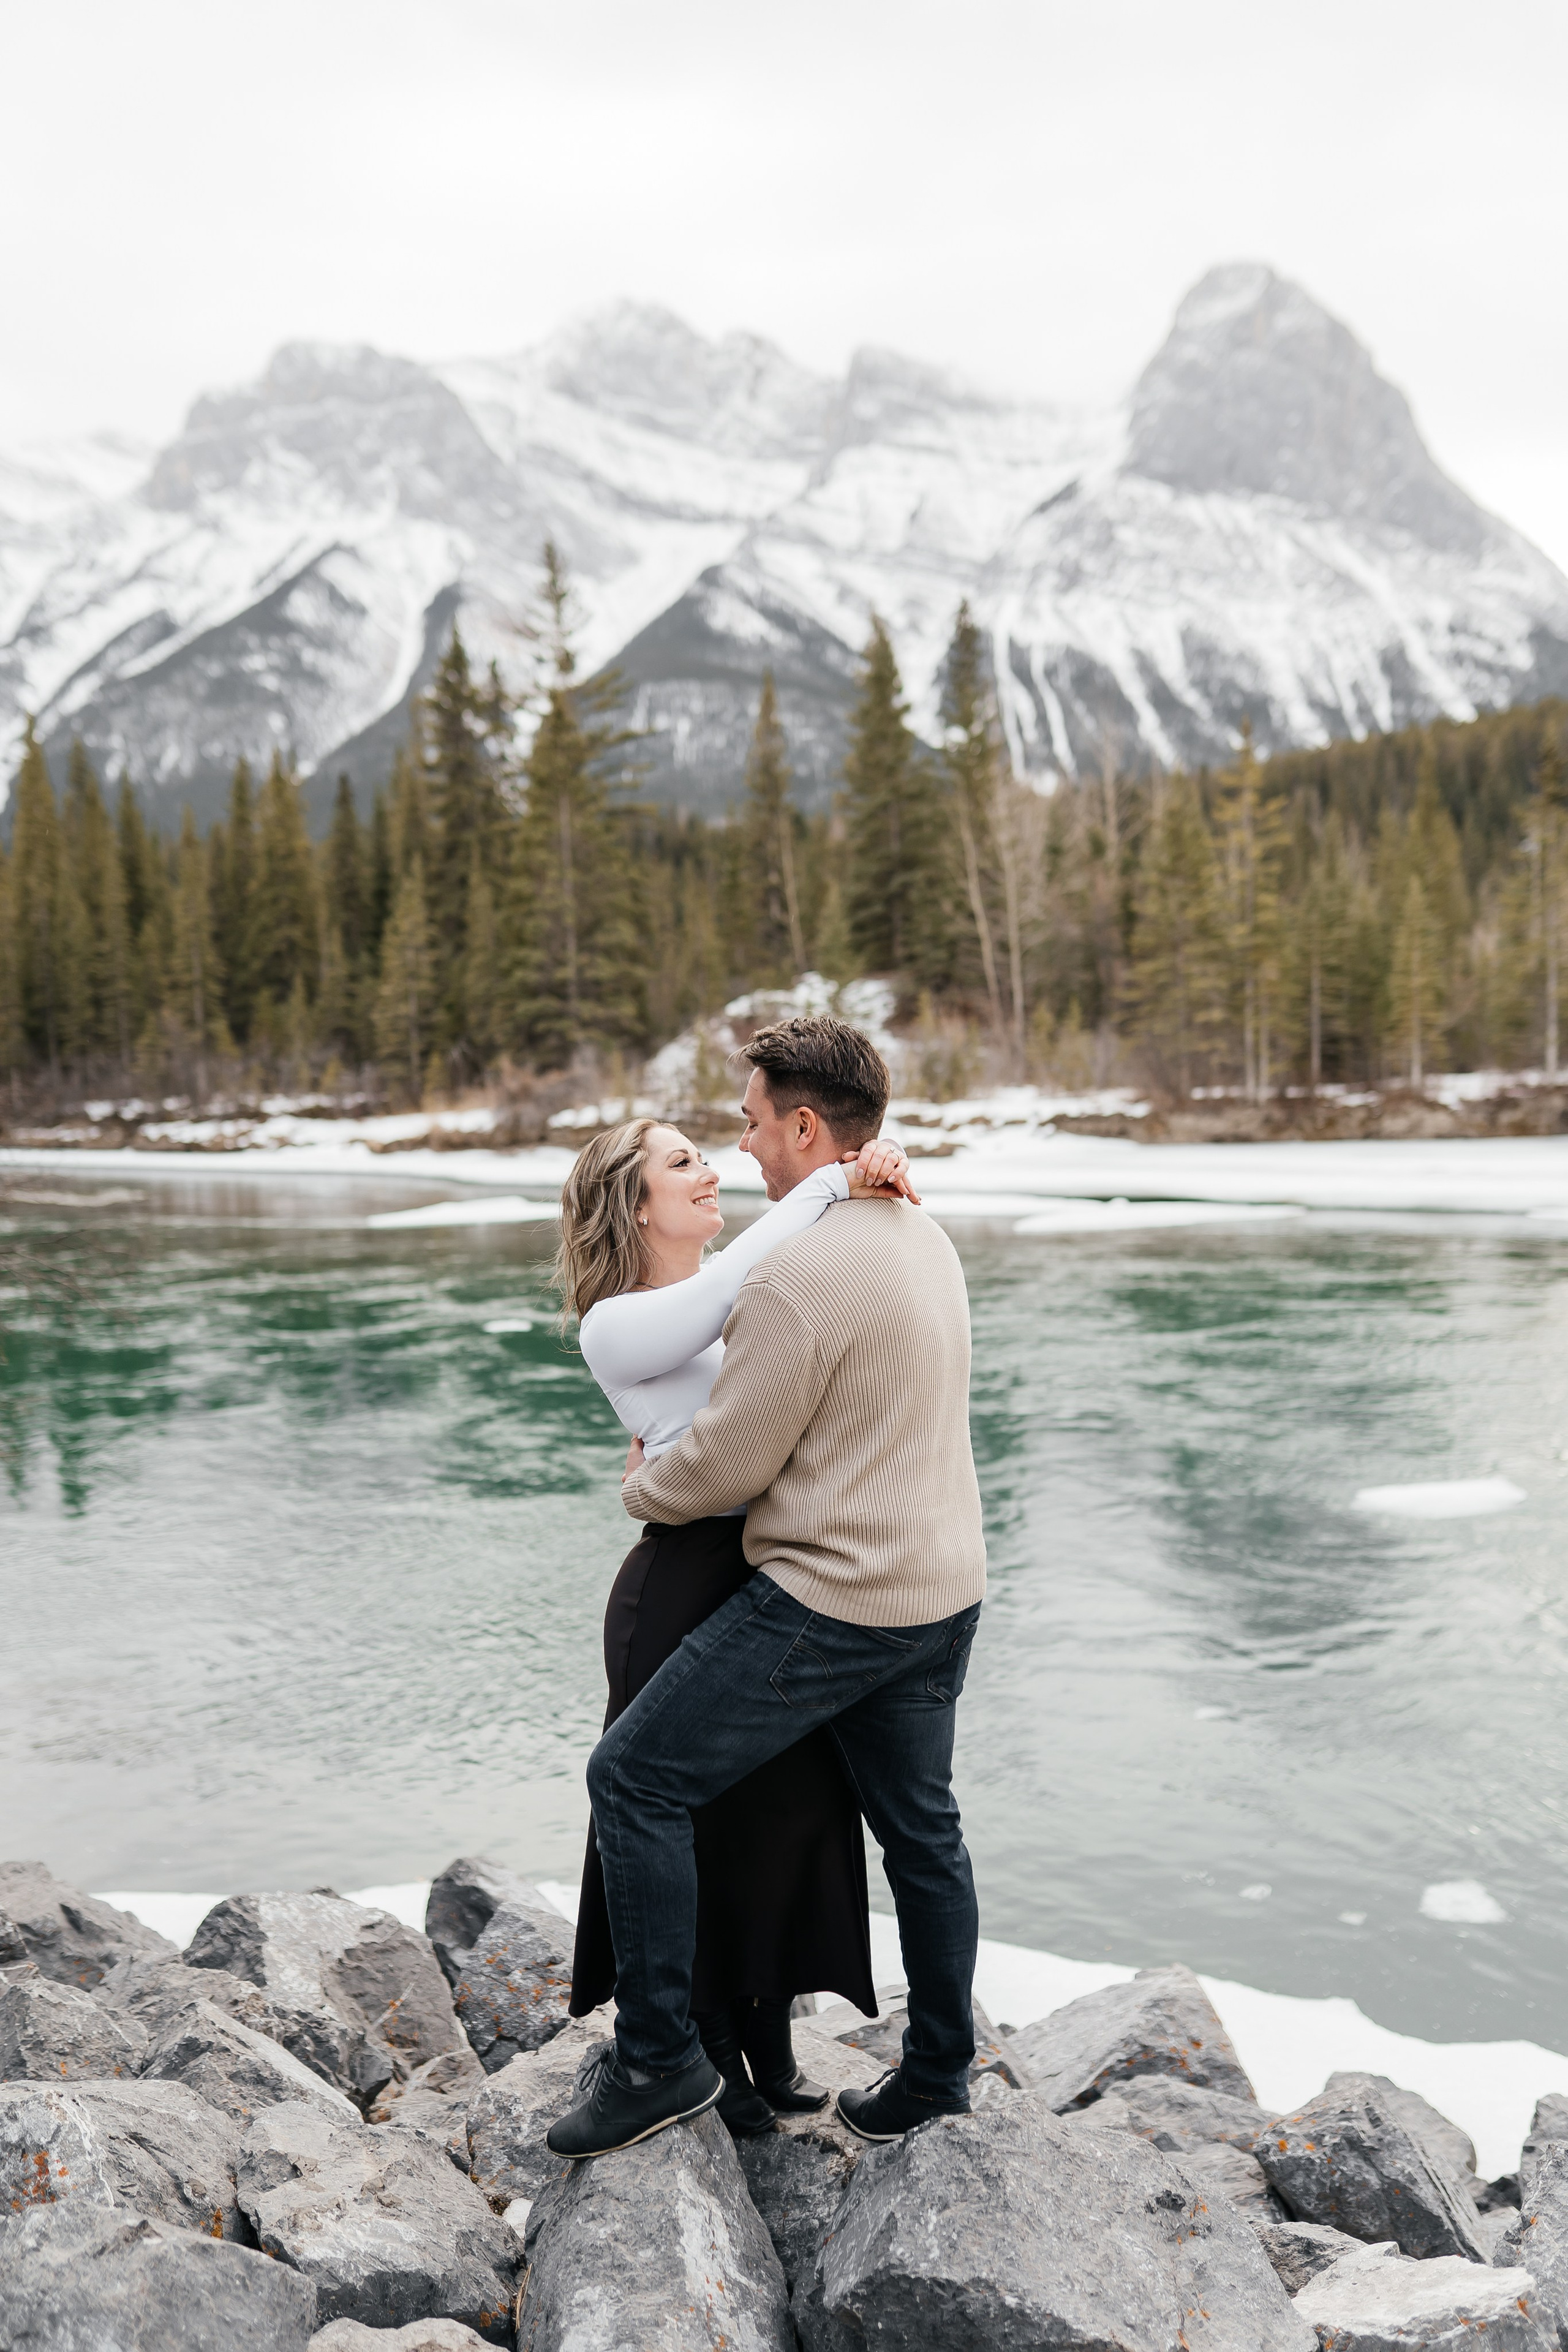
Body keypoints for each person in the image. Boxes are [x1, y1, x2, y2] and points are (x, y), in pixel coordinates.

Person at [548, 1012, 986, 2161]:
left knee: (632, 1779)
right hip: (943, 1587)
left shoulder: (793, 1275)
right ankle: (939, 2073)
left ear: (802, 1125)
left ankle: (656, 2058)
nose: (737, 1150)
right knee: (922, 1835)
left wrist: (640, 1491)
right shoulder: (924, 1235)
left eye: (745, 1127)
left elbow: (735, 1460)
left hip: (833, 1598)